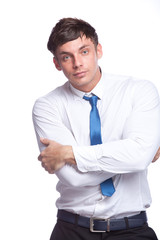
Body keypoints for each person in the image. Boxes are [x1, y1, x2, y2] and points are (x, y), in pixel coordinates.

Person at [32, 18, 160, 240]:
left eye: (84, 51)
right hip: (71, 229)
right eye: (66, 57)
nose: (77, 63)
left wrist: (70, 153)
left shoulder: (139, 91)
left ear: (98, 50)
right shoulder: (47, 106)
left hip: (132, 229)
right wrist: (134, 154)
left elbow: (138, 157)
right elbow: (74, 178)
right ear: (57, 64)